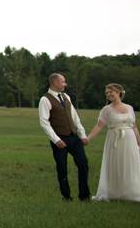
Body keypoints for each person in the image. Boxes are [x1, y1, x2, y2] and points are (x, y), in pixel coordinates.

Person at [86, 83, 140, 205]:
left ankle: (134, 194)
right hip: (114, 140)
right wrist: (88, 138)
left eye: (111, 91)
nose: (109, 94)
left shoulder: (130, 108)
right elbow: (99, 126)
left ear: (119, 92)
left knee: (131, 166)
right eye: (107, 93)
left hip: (129, 140)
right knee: (115, 165)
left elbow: (135, 127)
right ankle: (113, 193)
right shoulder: (106, 110)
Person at [39, 73, 91, 201]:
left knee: (83, 164)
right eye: (63, 82)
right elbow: (44, 122)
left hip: (74, 137)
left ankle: (84, 196)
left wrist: (82, 135)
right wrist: (56, 140)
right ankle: (66, 196)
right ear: (55, 83)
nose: (65, 84)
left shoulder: (66, 96)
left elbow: (75, 117)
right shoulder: (45, 99)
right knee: (62, 168)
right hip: (59, 139)